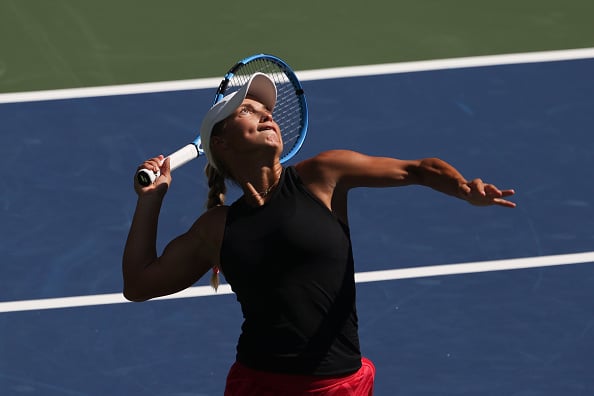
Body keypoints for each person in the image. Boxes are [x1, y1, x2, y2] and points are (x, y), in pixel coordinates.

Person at [122, 73, 516, 395]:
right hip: (259, 385)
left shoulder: (324, 176)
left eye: (266, 111)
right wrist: (151, 200)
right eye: (247, 110)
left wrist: (464, 189)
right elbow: (139, 284)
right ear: (220, 143)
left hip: (338, 386)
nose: (266, 116)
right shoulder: (217, 227)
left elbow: (418, 169)